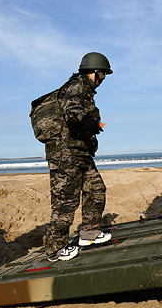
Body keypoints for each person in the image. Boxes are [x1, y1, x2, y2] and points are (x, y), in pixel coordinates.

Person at [45, 52, 113, 262]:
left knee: (96, 189)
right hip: (65, 156)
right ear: (92, 72)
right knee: (65, 203)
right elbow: (71, 109)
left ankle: (90, 233)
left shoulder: (86, 92)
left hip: (81, 153)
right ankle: (55, 250)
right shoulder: (75, 86)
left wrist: (92, 127)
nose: (102, 80)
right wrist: (86, 120)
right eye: (101, 75)